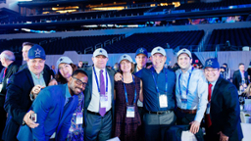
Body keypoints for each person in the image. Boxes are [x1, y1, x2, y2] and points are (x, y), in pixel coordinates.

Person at [115, 46, 176, 141]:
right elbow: (128, 75)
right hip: (150, 117)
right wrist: (117, 74)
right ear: (151, 58)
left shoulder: (173, 74)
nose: (158, 59)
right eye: (155, 56)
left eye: (160, 56)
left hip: (168, 117)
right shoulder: (143, 73)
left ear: (165, 58)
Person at [17, 70, 88, 141]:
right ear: (70, 79)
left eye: (84, 84)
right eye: (79, 82)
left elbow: (65, 124)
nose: (82, 86)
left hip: (47, 136)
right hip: (30, 136)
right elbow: (36, 121)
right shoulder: (49, 93)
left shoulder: (75, 100)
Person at [2, 45, 51, 141]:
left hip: (40, 128)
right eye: (33, 61)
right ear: (27, 60)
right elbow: (9, 103)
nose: (37, 64)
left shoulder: (46, 73)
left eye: (40, 61)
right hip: (19, 130)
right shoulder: (17, 78)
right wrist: (24, 116)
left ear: (44, 62)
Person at [167, 49, 208, 141]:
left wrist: (198, 120)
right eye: (180, 58)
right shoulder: (176, 73)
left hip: (193, 115)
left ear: (191, 60)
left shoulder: (199, 74)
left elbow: (203, 99)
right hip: (179, 114)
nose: (183, 61)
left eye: (186, 58)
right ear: (177, 61)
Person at [204, 58, 243, 141]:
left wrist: (226, 133)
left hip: (228, 134)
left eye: (213, 69)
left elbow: (234, 111)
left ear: (219, 70)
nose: (210, 73)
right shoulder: (205, 85)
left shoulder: (228, 87)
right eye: (207, 70)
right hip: (213, 130)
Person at [81, 48, 116, 141]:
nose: (101, 59)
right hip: (92, 117)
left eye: (103, 57)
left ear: (107, 59)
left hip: (108, 117)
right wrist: (54, 79)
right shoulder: (85, 73)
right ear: (93, 59)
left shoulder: (112, 73)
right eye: (98, 57)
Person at [114, 54, 143, 141]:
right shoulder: (116, 81)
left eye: (127, 62)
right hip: (120, 116)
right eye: (122, 63)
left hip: (134, 115)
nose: (125, 65)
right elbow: (114, 99)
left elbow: (142, 99)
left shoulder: (138, 81)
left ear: (131, 65)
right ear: (119, 66)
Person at [55, 56, 84, 141]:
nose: (64, 70)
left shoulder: (80, 81)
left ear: (72, 66)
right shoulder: (58, 86)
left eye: (66, 66)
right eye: (61, 68)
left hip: (79, 126)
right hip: (66, 128)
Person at [0, 50, 19, 140]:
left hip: (8, 103)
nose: (0, 61)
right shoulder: (4, 70)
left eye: (1, 59)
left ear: (4, 58)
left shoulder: (15, 68)